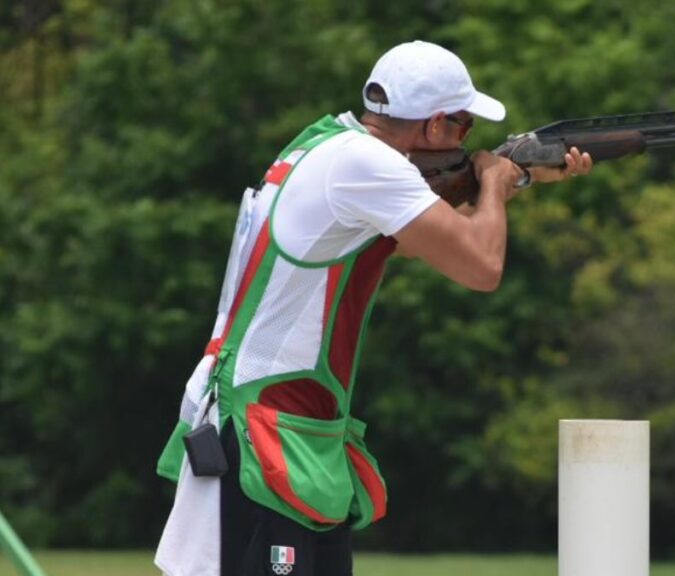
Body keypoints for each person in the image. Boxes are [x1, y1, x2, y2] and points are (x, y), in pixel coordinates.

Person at [153, 40, 592, 576]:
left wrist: (517, 179)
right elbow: (481, 267)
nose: (465, 140)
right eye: (463, 126)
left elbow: (423, 238)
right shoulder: (367, 163)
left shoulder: (328, 144)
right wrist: (495, 185)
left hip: (286, 431)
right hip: (259, 433)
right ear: (434, 127)